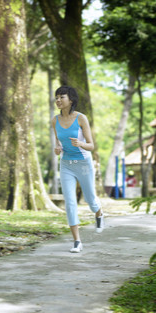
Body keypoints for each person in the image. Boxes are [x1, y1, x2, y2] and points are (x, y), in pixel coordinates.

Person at [52, 85, 104, 253]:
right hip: (66, 164)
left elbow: (91, 145)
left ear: (71, 100)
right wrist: (57, 149)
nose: (58, 100)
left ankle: (99, 213)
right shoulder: (55, 120)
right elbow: (58, 143)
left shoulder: (81, 118)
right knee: (70, 202)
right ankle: (77, 241)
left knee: (90, 199)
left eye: (62, 97)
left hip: (83, 163)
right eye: (57, 97)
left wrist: (80, 143)